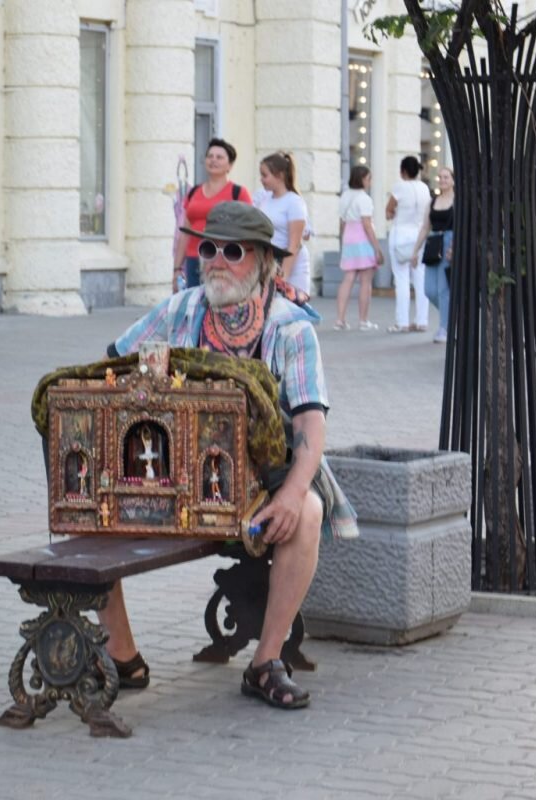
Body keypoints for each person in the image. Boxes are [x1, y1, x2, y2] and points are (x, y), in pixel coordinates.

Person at [104, 202, 359, 710]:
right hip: (174, 476)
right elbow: (110, 367)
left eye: (233, 251)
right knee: (90, 507)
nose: (216, 261)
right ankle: (122, 657)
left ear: (265, 261)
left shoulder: (291, 329)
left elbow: (311, 424)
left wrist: (289, 494)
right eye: (208, 248)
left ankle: (265, 662)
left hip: (260, 483)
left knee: (306, 510)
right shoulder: (180, 309)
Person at [173, 138, 252, 292]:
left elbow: (248, 232)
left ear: (229, 165)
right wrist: (177, 269)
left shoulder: (238, 193)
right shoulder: (193, 192)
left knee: (218, 307)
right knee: (194, 308)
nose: (213, 160)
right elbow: (185, 234)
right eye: (210, 156)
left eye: (219, 157)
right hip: (193, 260)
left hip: (222, 261)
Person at [385, 155, 432, 333]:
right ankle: (422, 321)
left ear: (403, 171)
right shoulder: (424, 188)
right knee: (420, 279)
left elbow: (389, 210)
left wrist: (392, 214)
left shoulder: (399, 187)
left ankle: (402, 322)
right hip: (419, 235)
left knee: (402, 279)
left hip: (400, 236)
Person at [255, 152, 311, 294]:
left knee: (291, 307)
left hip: (290, 263)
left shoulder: (294, 202)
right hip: (269, 260)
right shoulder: (265, 198)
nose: (261, 179)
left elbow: (294, 244)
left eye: (265, 175)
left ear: (279, 175)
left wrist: (283, 276)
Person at [335, 166, 383, 330]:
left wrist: (343, 241)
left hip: (349, 238)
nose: (370, 181)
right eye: (369, 178)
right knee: (365, 281)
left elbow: (341, 222)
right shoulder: (364, 198)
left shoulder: (345, 196)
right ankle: (363, 321)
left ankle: (340, 320)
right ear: (362, 179)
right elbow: (367, 224)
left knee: (348, 279)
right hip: (363, 240)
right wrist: (377, 248)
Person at [413, 166, 455, 344]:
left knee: (444, 289)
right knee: (429, 290)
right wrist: (415, 250)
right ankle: (453, 316)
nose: (442, 180)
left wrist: (454, 246)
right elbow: (425, 227)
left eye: (446, 177)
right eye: (440, 177)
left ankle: (444, 328)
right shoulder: (432, 201)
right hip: (433, 243)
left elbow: (461, 225)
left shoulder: (458, 200)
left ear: (453, 180)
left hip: (449, 242)